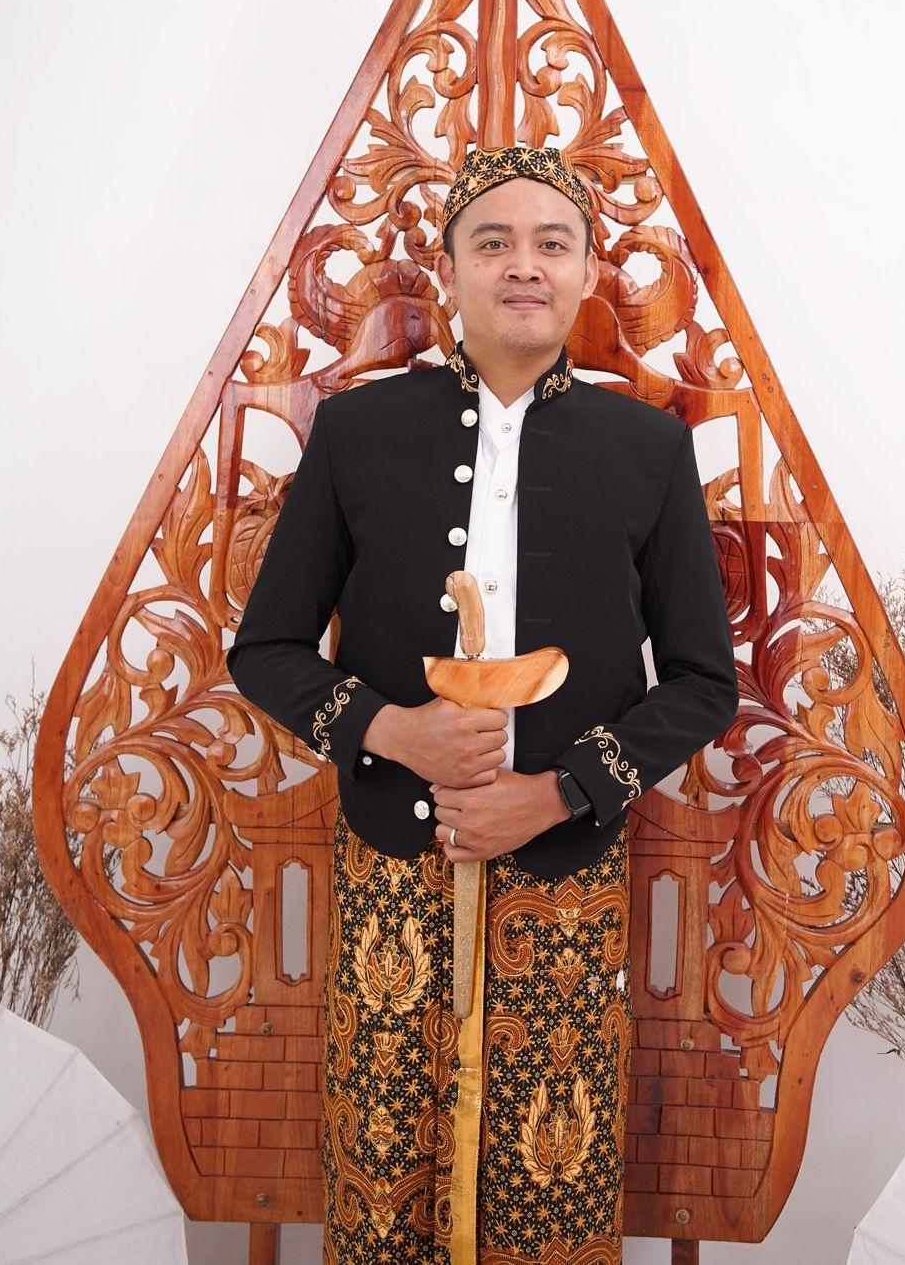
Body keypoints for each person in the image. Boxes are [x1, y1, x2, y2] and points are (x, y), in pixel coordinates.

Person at [227, 142, 739, 1264]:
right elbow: (264, 649)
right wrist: (392, 732)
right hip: (390, 876)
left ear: (588, 272)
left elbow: (706, 682)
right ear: (449, 270)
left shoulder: (649, 449)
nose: (524, 265)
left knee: (545, 1198)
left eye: (552, 244)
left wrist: (558, 793)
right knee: (385, 1193)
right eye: (493, 242)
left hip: (566, 880)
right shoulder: (359, 432)